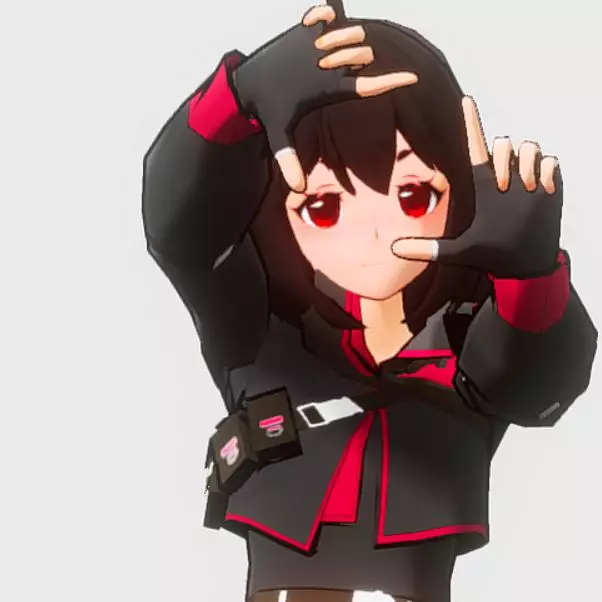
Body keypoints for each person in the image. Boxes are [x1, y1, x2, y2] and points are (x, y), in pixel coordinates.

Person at [141, 3, 597, 601]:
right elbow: (179, 229)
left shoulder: (471, 318)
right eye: (324, 206)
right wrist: (235, 96)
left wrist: (530, 274)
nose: (373, 235)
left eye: (413, 195)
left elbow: (536, 391)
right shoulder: (261, 321)